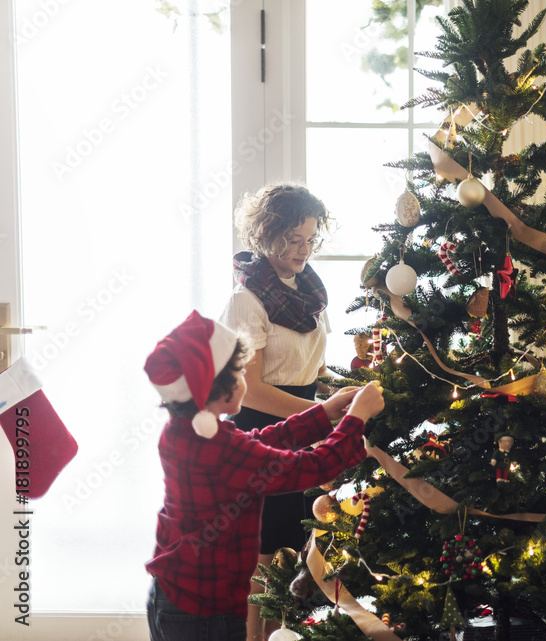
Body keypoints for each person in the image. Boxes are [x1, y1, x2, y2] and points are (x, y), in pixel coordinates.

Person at [144, 310, 384, 641]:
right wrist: (358, 416)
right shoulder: (223, 449)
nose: (246, 378)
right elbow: (313, 466)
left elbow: (256, 443)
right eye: (241, 372)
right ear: (221, 391)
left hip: (171, 593)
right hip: (205, 611)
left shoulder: (185, 431)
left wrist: (324, 414)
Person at [218, 183, 334, 640]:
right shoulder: (245, 300)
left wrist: (336, 395)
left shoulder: (310, 292)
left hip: (305, 425)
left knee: (294, 550)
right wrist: (322, 413)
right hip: (262, 432)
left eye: (311, 238)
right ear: (266, 236)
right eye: (294, 239)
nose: (304, 249)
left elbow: (314, 366)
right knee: (263, 557)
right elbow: (248, 391)